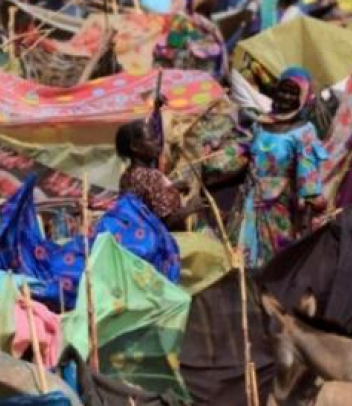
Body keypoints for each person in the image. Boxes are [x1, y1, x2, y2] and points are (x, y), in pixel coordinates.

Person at [219, 68, 326, 268]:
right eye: (282, 90)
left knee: (275, 260)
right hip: (250, 202)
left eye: (293, 93)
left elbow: (308, 175)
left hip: (281, 206)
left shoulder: (304, 131)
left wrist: (314, 201)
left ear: (303, 97)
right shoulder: (260, 124)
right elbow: (242, 155)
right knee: (241, 256)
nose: (285, 96)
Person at [115, 121, 195, 229]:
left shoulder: (126, 177)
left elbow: (148, 200)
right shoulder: (151, 176)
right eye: (151, 138)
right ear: (135, 146)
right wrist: (191, 207)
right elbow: (165, 223)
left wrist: (171, 189)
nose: (157, 142)